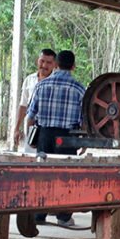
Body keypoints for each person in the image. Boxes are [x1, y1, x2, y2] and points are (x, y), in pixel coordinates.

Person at [26, 50, 85, 227]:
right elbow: (84, 119)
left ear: (56, 65)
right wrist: (83, 142)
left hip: (44, 134)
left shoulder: (41, 85)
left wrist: (31, 135)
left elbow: (31, 115)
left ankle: (39, 215)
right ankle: (64, 217)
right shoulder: (79, 88)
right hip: (68, 138)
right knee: (66, 176)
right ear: (73, 67)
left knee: (43, 175)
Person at [13, 48, 56, 153]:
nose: (44, 65)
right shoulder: (29, 80)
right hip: (31, 127)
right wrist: (17, 129)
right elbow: (23, 105)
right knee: (31, 159)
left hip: (50, 128)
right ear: (38, 60)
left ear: (54, 64)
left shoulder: (57, 82)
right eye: (42, 61)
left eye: (49, 63)